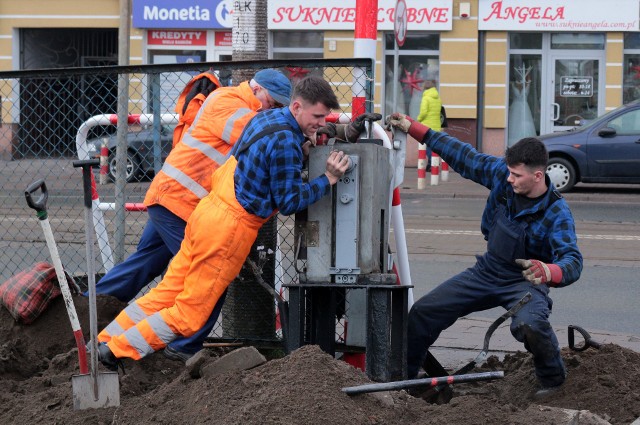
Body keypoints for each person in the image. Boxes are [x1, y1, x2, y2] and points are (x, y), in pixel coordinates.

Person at [94, 76, 372, 369]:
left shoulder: (265, 118)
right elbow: (290, 202)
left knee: (166, 293)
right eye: (317, 116)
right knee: (190, 315)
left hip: (206, 213)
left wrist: (309, 146)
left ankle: (103, 341)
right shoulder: (286, 142)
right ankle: (116, 352)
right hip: (227, 230)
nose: (319, 123)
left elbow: (264, 158)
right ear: (297, 106)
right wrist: (328, 179)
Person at [91, 68, 293, 362]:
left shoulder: (234, 101)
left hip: (176, 200)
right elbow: (264, 135)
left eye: (279, 108)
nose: (273, 111)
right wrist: (307, 131)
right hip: (182, 203)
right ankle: (182, 348)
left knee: (144, 266)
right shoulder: (230, 103)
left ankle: (92, 314)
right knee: (210, 281)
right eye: (273, 104)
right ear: (258, 90)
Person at [386, 112, 583, 398]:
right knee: (424, 312)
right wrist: (415, 129)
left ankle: (552, 381)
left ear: (538, 176)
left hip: (524, 283)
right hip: (487, 271)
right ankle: (404, 378)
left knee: (530, 324)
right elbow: (463, 155)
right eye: (509, 172)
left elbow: (573, 261)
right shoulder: (503, 177)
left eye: (517, 175)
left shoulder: (556, 212)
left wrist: (549, 271)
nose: (509, 178)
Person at [416, 80, 442, 171]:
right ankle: (432, 163)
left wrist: (418, 119)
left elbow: (423, 113)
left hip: (426, 126)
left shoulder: (426, 98)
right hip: (436, 126)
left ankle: (432, 162)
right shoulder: (438, 98)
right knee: (433, 145)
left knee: (425, 146)